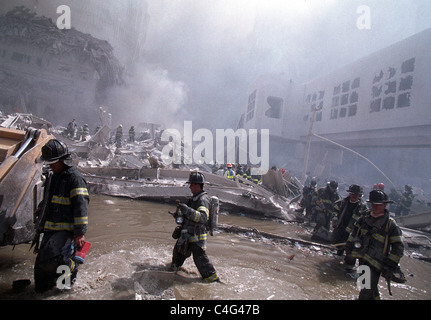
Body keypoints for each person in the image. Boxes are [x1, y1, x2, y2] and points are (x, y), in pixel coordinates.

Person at [33, 139, 89, 292]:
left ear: (64, 160)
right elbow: (49, 199)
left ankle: (67, 283)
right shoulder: (54, 176)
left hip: (66, 231)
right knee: (41, 265)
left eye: (53, 162)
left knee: (57, 261)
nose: (51, 165)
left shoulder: (75, 179)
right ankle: (42, 290)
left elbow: (81, 206)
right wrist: (41, 209)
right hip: (50, 228)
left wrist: (80, 233)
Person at [344, 190, 404, 300]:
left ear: (384, 205)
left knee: (366, 289)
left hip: (377, 263)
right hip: (362, 258)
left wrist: (390, 264)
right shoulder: (364, 218)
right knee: (369, 287)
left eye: (378, 205)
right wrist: (349, 246)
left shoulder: (390, 224)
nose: (374, 207)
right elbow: (354, 233)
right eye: (373, 204)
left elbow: (398, 248)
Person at [170, 172, 219, 283]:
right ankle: (171, 273)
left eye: (191, 184)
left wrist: (187, 210)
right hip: (187, 236)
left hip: (197, 238)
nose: (190, 186)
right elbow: (188, 217)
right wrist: (179, 216)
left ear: (197, 185)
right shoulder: (193, 199)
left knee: (201, 262)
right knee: (177, 255)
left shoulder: (203, 199)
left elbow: (202, 217)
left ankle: (214, 282)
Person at [331, 184, 367, 256]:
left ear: (359, 195)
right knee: (337, 244)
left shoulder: (362, 207)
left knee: (349, 248)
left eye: (356, 195)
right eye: (352, 194)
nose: (354, 196)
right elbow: (335, 209)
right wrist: (335, 217)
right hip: (340, 226)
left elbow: (365, 220)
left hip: (353, 231)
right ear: (350, 194)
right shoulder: (342, 202)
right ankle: (337, 256)